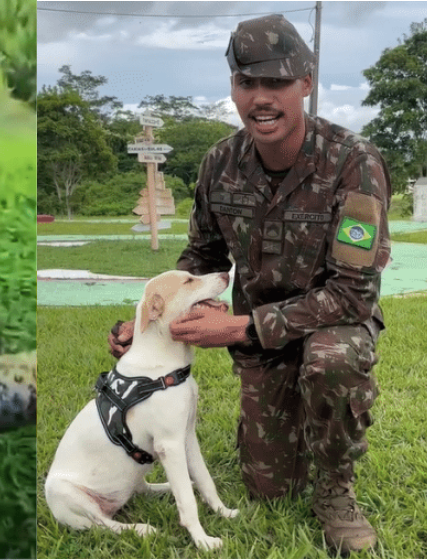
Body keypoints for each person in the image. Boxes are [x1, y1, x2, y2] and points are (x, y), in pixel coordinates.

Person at [108, 14, 390, 554]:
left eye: (277, 82)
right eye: (246, 82)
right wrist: (149, 324)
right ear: (233, 87)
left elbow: (354, 294)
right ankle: (293, 422)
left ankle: (335, 491)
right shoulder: (220, 164)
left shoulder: (354, 164)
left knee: (332, 358)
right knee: (269, 489)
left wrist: (240, 326)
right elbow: (202, 257)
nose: (261, 98)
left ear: (306, 82)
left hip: (329, 328)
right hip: (261, 348)